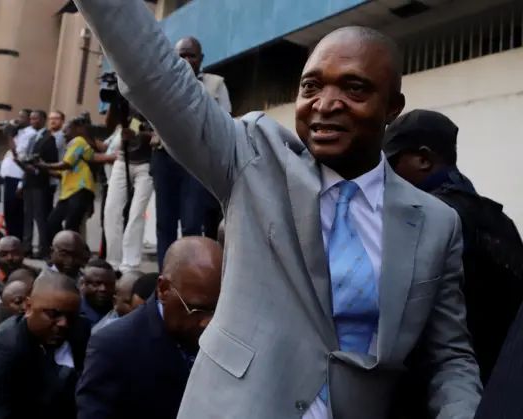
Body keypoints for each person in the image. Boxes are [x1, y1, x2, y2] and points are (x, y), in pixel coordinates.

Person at [75, 2, 482, 417]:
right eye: (311, 86)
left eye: (354, 88)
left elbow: (450, 358)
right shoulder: (253, 159)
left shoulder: (436, 224)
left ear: (393, 107)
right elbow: (155, 76)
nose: (326, 103)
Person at [384, 109, 523, 385]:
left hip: (445, 389)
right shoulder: (502, 223)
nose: (385, 177)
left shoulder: (429, 219)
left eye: (391, 164)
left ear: (424, 159)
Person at [76, 237, 222, 419]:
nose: (207, 322)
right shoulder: (114, 347)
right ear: (163, 289)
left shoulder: (227, 334)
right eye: (196, 309)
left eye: (217, 310)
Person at [149, 36, 232, 271]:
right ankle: (164, 275)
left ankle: (189, 276)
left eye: (191, 55)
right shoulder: (161, 84)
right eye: (181, 55)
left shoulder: (216, 84)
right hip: (164, 158)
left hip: (195, 161)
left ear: (201, 59)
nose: (186, 60)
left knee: (191, 223)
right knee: (164, 223)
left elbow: (224, 121)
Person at [0, 272, 92, 419]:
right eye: (53, 314)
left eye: (71, 316)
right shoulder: (0, 349)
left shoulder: (81, 328)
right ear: (28, 306)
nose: (63, 323)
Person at [36, 117, 115, 238]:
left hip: (80, 188)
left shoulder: (78, 141)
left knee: (72, 225)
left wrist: (44, 165)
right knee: (53, 222)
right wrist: (40, 167)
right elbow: (60, 174)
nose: (63, 134)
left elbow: (66, 164)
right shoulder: (70, 147)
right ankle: (64, 246)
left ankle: (73, 251)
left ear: (75, 130)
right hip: (68, 192)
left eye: (66, 131)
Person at [103, 112, 155, 273]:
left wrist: (138, 133)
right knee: (111, 210)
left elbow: (159, 134)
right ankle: (113, 261)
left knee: (136, 213)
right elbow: (122, 124)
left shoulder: (157, 101)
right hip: (123, 160)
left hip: (147, 164)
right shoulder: (130, 104)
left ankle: (130, 263)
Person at [17, 110, 58, 258]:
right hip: (28, 181)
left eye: (36, 118)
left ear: (43, 119)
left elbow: (52, 162)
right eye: (32, 118)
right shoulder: (30, 137)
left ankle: (43, 248)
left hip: (41, 182)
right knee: (28, 215)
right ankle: (26, 247)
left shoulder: (49, 138)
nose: (33, 121)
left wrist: (39, 167)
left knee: (40, 216)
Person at [0, 109, 35, 240]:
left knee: (16, 210)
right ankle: (10, 237)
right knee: (8, 210)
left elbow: (17, 154)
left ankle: (17, 239)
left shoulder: (30, 134)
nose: (19, 119)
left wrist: (9, 135)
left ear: (29, 119)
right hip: (9, 175)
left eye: (22, 117)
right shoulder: (18, 133)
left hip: (18, 175)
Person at [80, 262, 116, 326]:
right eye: (97, 283)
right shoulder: (74, 312)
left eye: (110, 284)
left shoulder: (119, 311)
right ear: (83, 283)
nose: (103, 289)